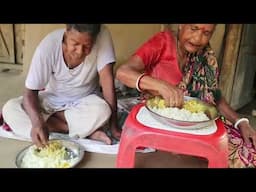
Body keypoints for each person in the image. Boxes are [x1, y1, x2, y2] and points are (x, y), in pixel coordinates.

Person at [116, 24, 256, 168]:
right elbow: (123, 72)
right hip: (161, 122)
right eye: (193, 29)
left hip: (195, 122)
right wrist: (160, 85)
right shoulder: (162, 42)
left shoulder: (205, 56)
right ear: (181, 25)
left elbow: (214, 95)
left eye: (207, 33)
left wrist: (241, 122)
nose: (198, 38)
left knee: (249, 151)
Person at [2, 24, 121, 147]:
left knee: (103, 110)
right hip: (51, 101)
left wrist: (114, 126)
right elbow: (30, 92)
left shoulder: (102, 35)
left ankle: (56, 128)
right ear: (67, 32)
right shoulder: (49, 46)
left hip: (84, 102)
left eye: (87, 46)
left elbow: (107, 82)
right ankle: (83, 131)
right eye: (75, 43)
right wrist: (37, 123)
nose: (80, 51)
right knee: (10, 109)